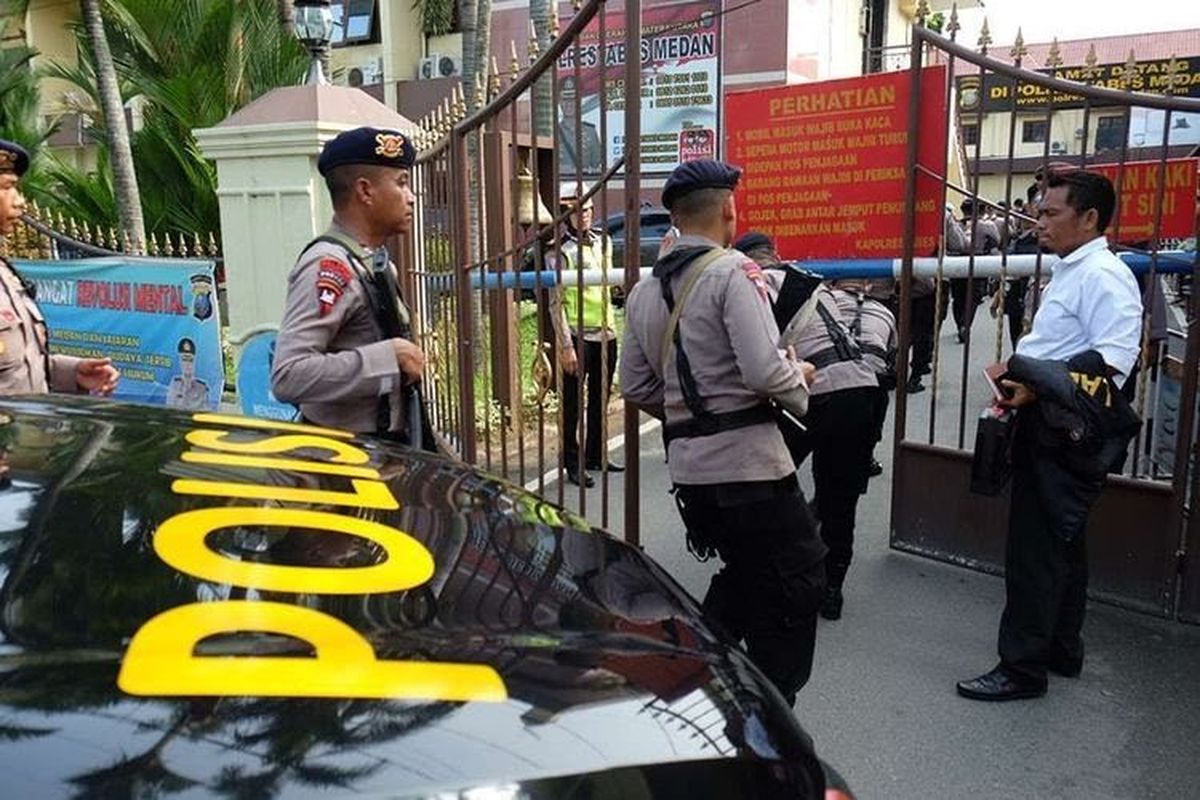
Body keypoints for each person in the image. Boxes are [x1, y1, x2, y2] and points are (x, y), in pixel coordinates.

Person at [620, 160, 826, 704]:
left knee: (744, 575)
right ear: (730, 210)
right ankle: (769, 716)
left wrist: (691, 416)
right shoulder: (733, 272)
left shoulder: (644, 292)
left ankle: (695, 682)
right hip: (753, 470)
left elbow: (636, 386)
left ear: (676, 216)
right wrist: (799, 375)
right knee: (794, 585)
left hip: (693, 477)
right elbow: (763, 371)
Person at [957, 169, 1142, 701]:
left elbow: (1113, 364)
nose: (1038, 223)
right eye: (1038, 212)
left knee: (1035, 551)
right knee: (1063, 541)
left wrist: (1037, 388)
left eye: (1050, 213)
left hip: (1065, 431)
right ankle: (1062, 647)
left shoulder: (1102, 275)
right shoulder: (1074, 269)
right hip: (1050, 418)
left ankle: (1021, 669)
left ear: (1089, 218)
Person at [736, 232, 879, 622]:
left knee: (768, 485)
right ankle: (831, 590)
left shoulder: (757, 285)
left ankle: (771, 575)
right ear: (776, 254)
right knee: (839, 499)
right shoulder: (817, 286)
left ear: (744, 261)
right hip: (861, 391)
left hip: (814, 394)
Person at [271, 127, 428, 443]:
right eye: (401, 183)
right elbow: (287, 376)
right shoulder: (328, 267)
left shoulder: (368, 261)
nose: (411, 197)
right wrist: (388, 357)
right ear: (365, 191)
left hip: (380, 451)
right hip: (344, 461)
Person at [0, 139, 120, 397]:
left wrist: (72, 371)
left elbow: (15, 368)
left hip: (28, 433)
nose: (21, 202)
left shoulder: (6, 273)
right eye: (8, 187)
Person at [549, 186, 622, 486]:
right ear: (568, 214)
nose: (585, 216)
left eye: (589, 209)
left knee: (599, 400)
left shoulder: (604, 242)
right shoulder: (559, 251)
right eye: (579, 211)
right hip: (577, 336)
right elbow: (556, 303)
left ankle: (595, 453)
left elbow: (608, 284)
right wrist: (566, 345)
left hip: (606, 334)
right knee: (572, 405)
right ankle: (572, 461)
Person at [558, 76, 603, 177]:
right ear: (560, 102)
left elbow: (597, 166)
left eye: (573, 99)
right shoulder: (552, 133)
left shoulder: (590, 132)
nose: (569, 104)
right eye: (565, 99)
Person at [165, 336, 210, 409]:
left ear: (195, 361)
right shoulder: (175, 384)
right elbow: (169, 407)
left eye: (190, 360)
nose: (187, 364)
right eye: (184, 360)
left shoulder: (202, 387)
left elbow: (205, 412)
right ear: (180, 361)